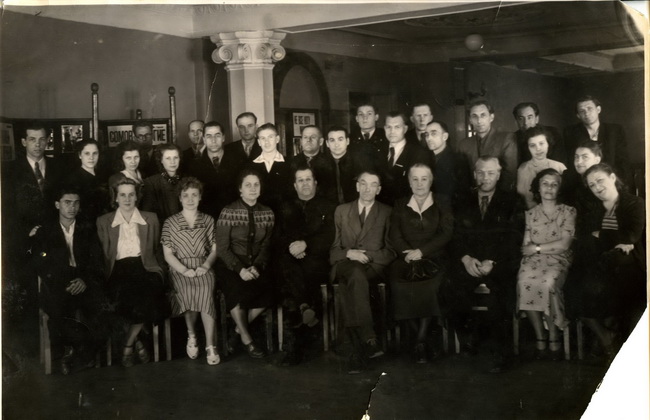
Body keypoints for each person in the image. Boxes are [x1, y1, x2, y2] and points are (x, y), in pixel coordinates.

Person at [446, 156, 523, 373]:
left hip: (498, 262)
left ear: (498, 175)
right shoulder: (462, 199)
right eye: (480, 172)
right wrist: (465, 258)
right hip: (470, 262)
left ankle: (501, 352)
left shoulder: (512, 200)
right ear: (474, 174)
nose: (485, 177)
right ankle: (468, 340)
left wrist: (493, 262)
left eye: (490, 173)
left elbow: (514, 238)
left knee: (501, 294)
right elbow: (455, 235)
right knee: (450, 287)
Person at [32, 186, 108, 374]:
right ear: (57, 204)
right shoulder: (45, 232)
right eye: (67, 202)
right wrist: (62, 282)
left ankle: (79, 355)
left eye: (76, 203)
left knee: (101, 310)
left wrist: (84, 280)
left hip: (83, 281)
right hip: (58, 283)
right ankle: (69, 355)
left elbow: (97, 261)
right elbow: (40, 265)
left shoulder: (87, 229)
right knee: (57, 311)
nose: (72, 207)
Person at [2, 122, 63, 355]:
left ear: (47, 141)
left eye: (42, 139)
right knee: (27, 293)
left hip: (53, 240)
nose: (38, 144)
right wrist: (24, 232)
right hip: (23, 243)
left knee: (54, 291)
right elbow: (5, 210)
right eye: (32, 139)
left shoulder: (58, 167)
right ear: (23, 142)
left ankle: (55, 346)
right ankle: (29, 348)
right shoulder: (9, 170)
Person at [96, 178, 170, 367]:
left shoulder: (150, 219)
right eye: (122, 195)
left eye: (131, 194)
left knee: (148, 292)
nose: (127, 199)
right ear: (115, 197)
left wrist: (161, 270)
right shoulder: (104, 221)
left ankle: (128, 345)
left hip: (145, 267)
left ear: (137, 196)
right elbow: (103, 255)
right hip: (118, 269)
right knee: (124, 297)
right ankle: (137, 340)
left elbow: (156, 249)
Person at [577, 163, 645, 362]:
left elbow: (632, 236)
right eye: (592, 185)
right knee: (580, 290)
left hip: (630, 264)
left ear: (613, 178)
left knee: (617, 288)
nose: (597, 187)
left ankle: (609, 340)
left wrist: (602, 235)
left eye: (600, 180)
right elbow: (585, 239)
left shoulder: (634, 203)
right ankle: (607, 338)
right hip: (600, 262)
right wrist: (616, 240)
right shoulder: (593, 209)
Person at [330, 171, 396, 374]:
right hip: (345, 264)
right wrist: (349, 253)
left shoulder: (387, 212)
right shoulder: (342, 210)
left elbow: (391, 251)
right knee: (355, 275)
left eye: (373, 184)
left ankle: (353, 350)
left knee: (351, 283)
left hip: (372, 267)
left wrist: (365, 256)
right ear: (357, 186)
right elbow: (333, 250)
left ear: (379, 189)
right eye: (363, 184)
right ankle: (369, 337)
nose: (368, 189)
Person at [387, 164, 453, 363]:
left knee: (430, 287)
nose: (419, 183)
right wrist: (407, 253)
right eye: (414, 179)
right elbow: (394, 234)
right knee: (398, 285)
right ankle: (421, 339)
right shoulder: (400, 204)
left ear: (431, 181)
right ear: (409, 182)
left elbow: (446, 233)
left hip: (434, 257)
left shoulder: (442, 201)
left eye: (424, 179)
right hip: (407, 258)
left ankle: (421, 340)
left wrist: (422, 251)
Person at [275, 166, 336, 365]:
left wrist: (306, 244)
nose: (305, 183)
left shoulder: (328, 206)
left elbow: (330, 236)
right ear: (295, 185)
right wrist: (292, 247)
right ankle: (304, 308)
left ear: (315, 183)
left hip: (317, 261)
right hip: (292, 260)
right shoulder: (286, 207)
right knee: (288, 268)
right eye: (300, 180)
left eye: (308, 179)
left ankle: (292, 347)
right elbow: (278, 235)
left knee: (292, 282)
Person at [516, 169, 575, 360]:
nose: (549, 188)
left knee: (548, 284)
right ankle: (540, 336)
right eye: (545, 183)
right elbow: (525, 246)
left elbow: (564, 245)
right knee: (525, 282)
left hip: (558, 260)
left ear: (560, 188)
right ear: (538, 188)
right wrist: (537, 249)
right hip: (533, 261)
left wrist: (537, 248)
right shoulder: (530, 213)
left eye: (554, 184)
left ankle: (554, 335)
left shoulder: (568, 211)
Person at [215, 169, 275, 359]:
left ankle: (237, 331)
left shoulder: (267, 213)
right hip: (231, 265)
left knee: (272, 290)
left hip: (256, 264)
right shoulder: (228, 211)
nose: (252, 188)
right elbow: (222, 248)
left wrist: (256, 266)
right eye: (248, 185)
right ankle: (247, 339)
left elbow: (266, 245)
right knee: (236, 290)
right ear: (240, 189)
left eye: (256, 185)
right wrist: (240, 269)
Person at [161, 177, 220, 365]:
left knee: (205, 290)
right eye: (185, 195)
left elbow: (215, 250)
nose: (190, 199)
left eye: (194, 195)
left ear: (200, 197)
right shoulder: (170, 223)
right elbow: (168, 254)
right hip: (179, 268)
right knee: (187, 289)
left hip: (203, 265)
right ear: (179, 198)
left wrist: (206, 266)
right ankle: (192, 334)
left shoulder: (208, 220)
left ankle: (210, 345)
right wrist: (184, 270)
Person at [563, 95, 631, 185]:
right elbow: (572, 162)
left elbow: (623, 161)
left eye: (590, 108)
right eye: (582, 111)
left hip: (611, 181)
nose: (586, 113)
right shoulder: (571, 133)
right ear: (578, 115)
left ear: (598, 109)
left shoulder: (615, 130)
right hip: (583, 182)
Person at [455, 100, 518, 191]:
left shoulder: (506, 139)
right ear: (470, 120)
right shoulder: (464, 144)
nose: (479, 121)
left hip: (499, 195)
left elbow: (510, 174)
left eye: (483, 115)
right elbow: (463, 177)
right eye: (474, 116)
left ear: (491, 117)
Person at [378, 111, 433, 206]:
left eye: (397, 127)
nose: (392, 131)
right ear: (384, 128)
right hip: (382, 207)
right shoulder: (378, 151)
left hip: (406, 208)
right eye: (388, 127)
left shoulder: (418, 153)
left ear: (405, 129)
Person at [188, 121, 233, 219]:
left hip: (232, 217)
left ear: (223, 138)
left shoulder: (236, 161)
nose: (213, 140)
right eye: (209, 136)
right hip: (205, 218)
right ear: (204, 139)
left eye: (217, 135)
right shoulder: (194, 166)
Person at [516, 126, 567, 209]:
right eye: (532, 145)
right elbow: (522, 198)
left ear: (548, 144)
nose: (538, 149)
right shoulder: (523, 169)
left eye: (541, 143)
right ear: (528, 148)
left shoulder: (560, 167)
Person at [66, 139, 110, 224]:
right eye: (87, 153)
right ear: (80, 155)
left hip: (105, 222)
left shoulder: (103, 175)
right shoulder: (73, 179)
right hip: (85, 224)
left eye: (95, 153)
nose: (91, 157)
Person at [249, 123, 291, 212]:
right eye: (263, 138)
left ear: (277, 139)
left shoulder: (289, 163)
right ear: (259, 142)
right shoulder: (250, 166)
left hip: (284, 213)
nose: (266, 142)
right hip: (258, 213)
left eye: (270, 137)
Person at [423, 120, 467, 201]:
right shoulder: (424, 159)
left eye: (434, 134)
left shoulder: (458, 160)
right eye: (427, 135)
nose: (429, 138)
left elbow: (463, 193)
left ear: (445, 136)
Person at [141, 143, 183, 225]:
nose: (172, 162)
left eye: (175, 157)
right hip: (161, 228)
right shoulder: (151, 183)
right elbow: (148, 213)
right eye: (168, 158)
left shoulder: (186, 180)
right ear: (161, 160)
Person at [321, 126, 360, 205]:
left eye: (340, 139)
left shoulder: (358, 163)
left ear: (347, 141)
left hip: (354, 207)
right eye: (332, 140)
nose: (336, 144)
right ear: (327, 143)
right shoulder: (320, 164)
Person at [349, 102, 389, 173]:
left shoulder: (386, 136)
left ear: (376, 117)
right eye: (361, 114)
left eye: (369, 114)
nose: (365, 118)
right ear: (357, 118)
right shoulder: (350, 138)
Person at [289, 125, 330, 191]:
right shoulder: (291, 163)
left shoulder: (330, 163)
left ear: (321, 141)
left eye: (313, 137)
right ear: (301, 141)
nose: (308, 140)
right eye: (305, 137)